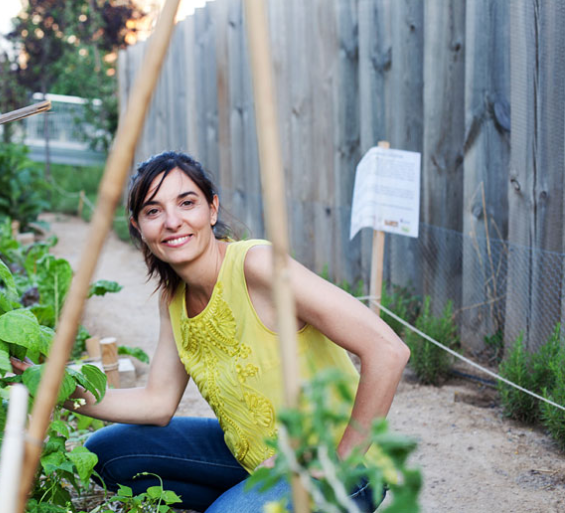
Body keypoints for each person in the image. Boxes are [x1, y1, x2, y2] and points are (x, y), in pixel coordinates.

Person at [46, 151, 409, 512]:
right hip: (253, 459)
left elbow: (387, 351)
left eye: (186, 203)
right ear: (138, 226)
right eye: (153, 211)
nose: (172, 221)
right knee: (105, 455)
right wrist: (53, 388)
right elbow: (157, 403)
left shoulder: (257, 267)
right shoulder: (173, 298)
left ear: (212, 209)